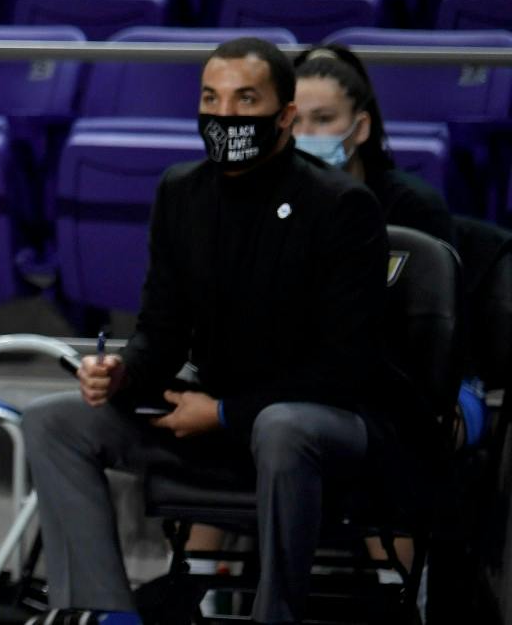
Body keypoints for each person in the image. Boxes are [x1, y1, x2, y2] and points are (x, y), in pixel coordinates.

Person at [23, 36, 428, 624]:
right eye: (211, 98)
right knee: (54, 421)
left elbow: (345, 366)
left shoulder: (342, 205)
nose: (225, 115)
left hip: (328, 421)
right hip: (215, 414)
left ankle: (275, 616)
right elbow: (161, 330)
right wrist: (121, 372)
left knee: (282, 425)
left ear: (284, 116)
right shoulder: (181, 192)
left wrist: (222, 413)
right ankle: (104, 614)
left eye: (246, 99)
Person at [293, 42, 451, 242]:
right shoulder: (270, 201)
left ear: (361, 127)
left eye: (323, 119)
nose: (304, 133)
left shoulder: (414, 208)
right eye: (294, 120)